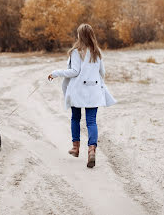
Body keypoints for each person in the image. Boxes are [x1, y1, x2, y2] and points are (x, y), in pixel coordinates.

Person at [48, 23, 116, 168]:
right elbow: (102, 72)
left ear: (80, 36)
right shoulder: (97, 52)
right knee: (91, 121)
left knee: (75, 118)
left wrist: (56, 73)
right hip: (94, 90)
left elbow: (74, 71)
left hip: (78, 91)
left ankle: (76, 147)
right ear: (91, 35)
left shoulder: (76, 51)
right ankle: (92, 149)